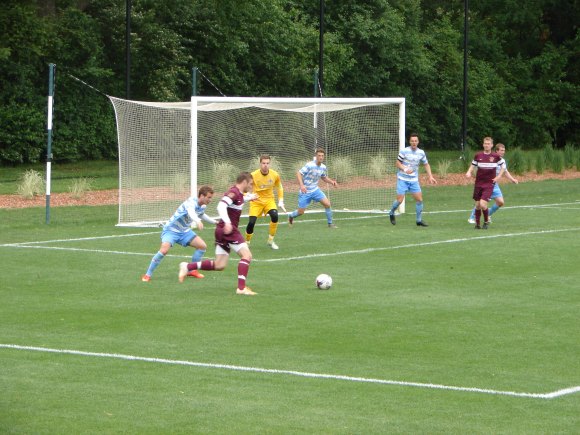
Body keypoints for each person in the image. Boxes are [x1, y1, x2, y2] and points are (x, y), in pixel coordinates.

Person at [178, 172, 258, 296]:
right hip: (228, 230)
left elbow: (237, 201)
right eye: (250, 184)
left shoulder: (238, 194)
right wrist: (227, 222)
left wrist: (250, 197)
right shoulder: (234, 192)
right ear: (244, 182)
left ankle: (188, 267)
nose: (251, 186)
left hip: (221, 231)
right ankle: (241, 288)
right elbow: (221, 206)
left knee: (220, 265)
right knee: (247, 256)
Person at [142, 185, 217, 282]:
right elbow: (191, 212)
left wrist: (215, 222)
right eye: (209, 197)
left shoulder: (203, 206)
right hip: (171, 230)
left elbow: (201, 214)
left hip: (184, 231)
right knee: (164, 251)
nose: (210, 200)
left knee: (202, 246)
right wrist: (197, 221)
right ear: (202, 196)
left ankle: (192, 270)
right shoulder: (191, 202)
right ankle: (147, 275)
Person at [388, 133, 437, 226]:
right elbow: (397, 163)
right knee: (399, 200)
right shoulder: (404, 151)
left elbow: (426, 164)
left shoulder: (421, 153)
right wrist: (405, 169)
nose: (414, 142)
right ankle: (391, 212)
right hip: (402, 179)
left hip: (414, 180)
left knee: (419, 200)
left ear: (418, 142)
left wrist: (430, 176)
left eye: (415, 141)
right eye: (412, 141)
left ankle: (418, 221)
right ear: (410, 142)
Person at [468, 143, 518, 224]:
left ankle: (488, 214)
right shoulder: (490, 158)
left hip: (494, 184)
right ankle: (472, 218)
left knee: (500, 202)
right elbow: (477, 166)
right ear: (496, 151)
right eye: (501, 150)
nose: (503, 152)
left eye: (504, 150)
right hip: (485, 184)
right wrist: (471, 173)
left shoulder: (502, 161)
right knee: (480, 202)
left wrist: (512, 179)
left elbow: (505, 171)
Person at [287, 148, 338, 228]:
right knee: (300, 212)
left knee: (327, 204)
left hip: (315, 190)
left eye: (322, 156)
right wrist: (302, 185)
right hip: (305, 191)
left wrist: (332, 182)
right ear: (316, 156)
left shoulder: (323, 167)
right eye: (319, 155)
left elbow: (323, 177)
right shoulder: (310, 165)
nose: (321, 157)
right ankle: (291, 216)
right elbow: (299, 173)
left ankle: (330, 224)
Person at [245, 155, 285, 250]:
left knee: (275, 216)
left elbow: (279, 187)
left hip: (269, 200)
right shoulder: (253, 175)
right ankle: (246, 243)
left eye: (267, 163)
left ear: (269, 164)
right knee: (251, 222)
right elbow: (244, 188)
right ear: (260, 164)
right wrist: (248, 196)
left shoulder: (275, 175)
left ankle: (271, 241)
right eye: (263, 163)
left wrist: (280, 200)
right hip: (256, 201)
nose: (265, 165)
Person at [465, 137, 505, 229]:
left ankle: (486, 222)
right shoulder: (478, 155)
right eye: (485, 143)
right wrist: (469, 172)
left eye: (488, 144)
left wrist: (498, 176)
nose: (486, 145)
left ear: (491, 145)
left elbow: (503, 167)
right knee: (478, 205)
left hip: (489, 184)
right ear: (483, 145)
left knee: (483, 204)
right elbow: (473, 165)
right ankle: (477, 225)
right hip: (478, 184)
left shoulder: (496, 156)